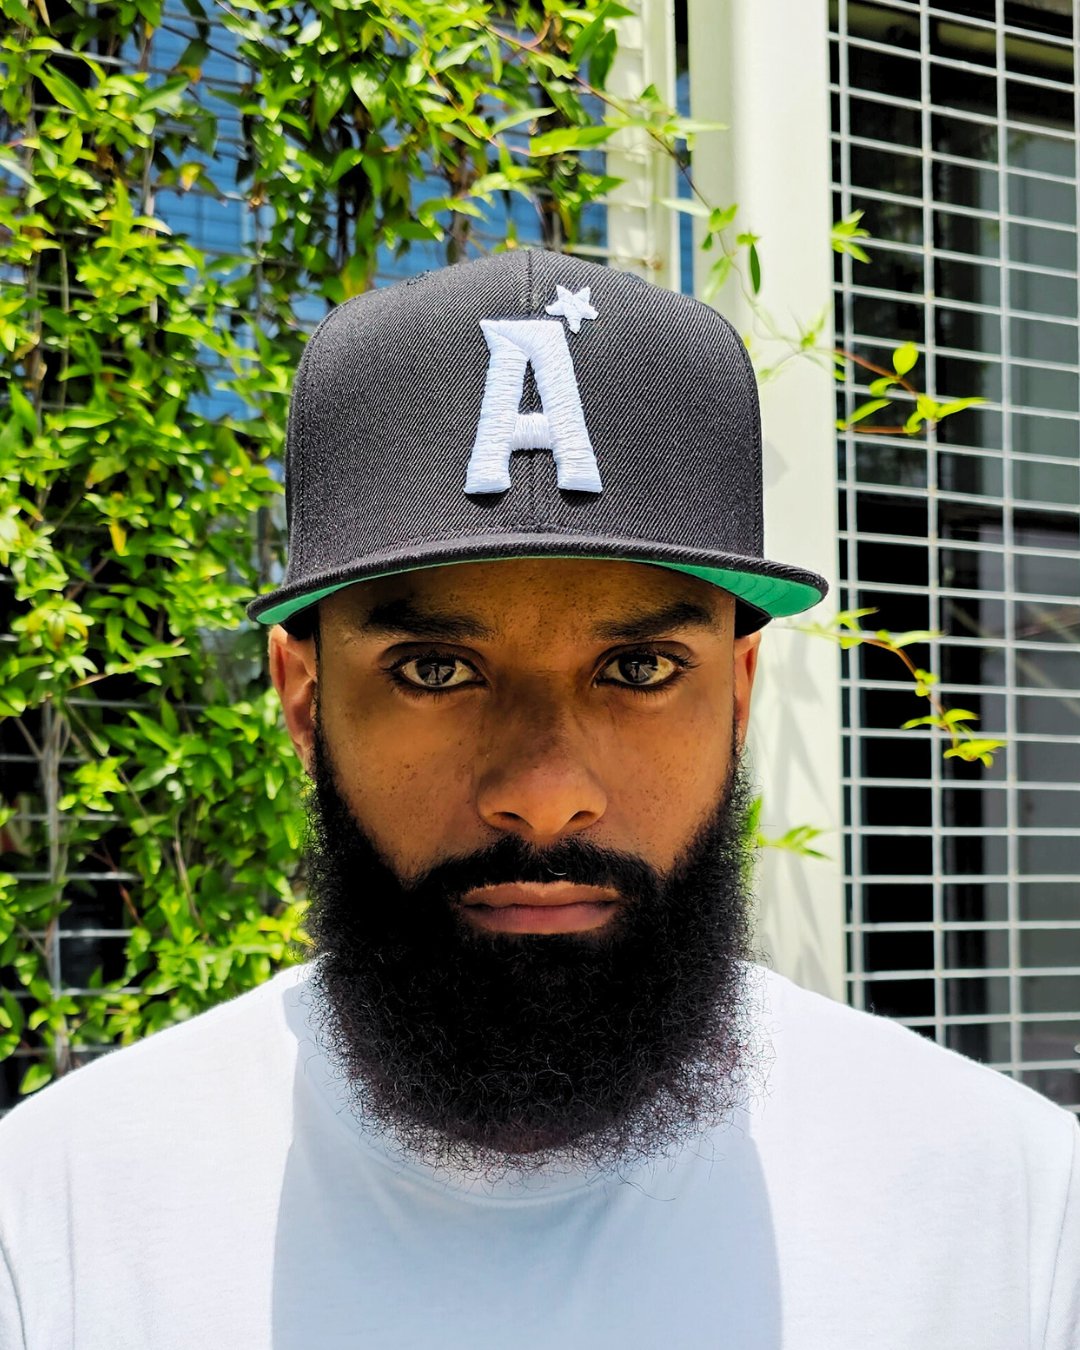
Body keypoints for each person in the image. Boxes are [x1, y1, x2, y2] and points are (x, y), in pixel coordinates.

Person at [0, 251, 1076, 1349]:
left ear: (738, 694)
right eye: (435, 670)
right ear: (304, 697)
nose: (545, 794)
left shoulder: (1010, 1221)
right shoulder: (58, 1232)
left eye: (640, 669)